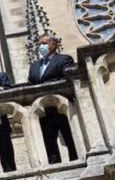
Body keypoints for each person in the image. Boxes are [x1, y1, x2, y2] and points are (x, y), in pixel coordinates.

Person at [27, 34, 78, 163]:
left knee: (70, 138)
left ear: (53, 45)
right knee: (48, 142)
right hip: (43, 110)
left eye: (43, 43)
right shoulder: (34, 66)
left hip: (62, 107)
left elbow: (67, 78)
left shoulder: (64, 59)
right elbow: (31, 84)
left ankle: (75, 159)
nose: (40, 46)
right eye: (39, 44)